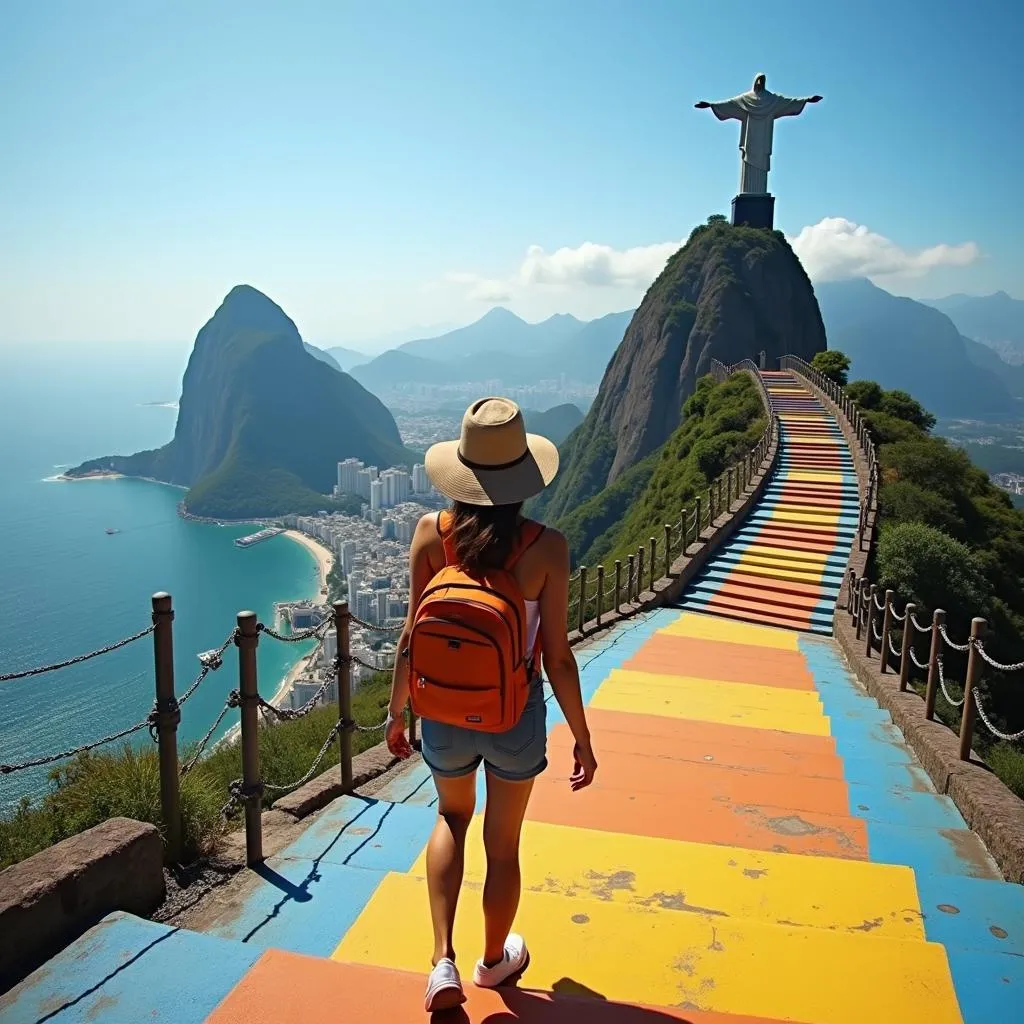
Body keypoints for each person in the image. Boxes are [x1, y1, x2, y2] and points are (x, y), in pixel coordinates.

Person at [385, 396, 598, 1013]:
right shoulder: (547, 548)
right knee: (502, 846)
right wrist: (583, 736)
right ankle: (493, 962)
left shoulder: (430, 533)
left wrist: (399, 712)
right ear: (524, 477)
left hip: (442, 711)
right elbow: (557, 657)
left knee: (451, 819)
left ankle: (440, 962)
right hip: (515, 712)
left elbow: (408, 636)